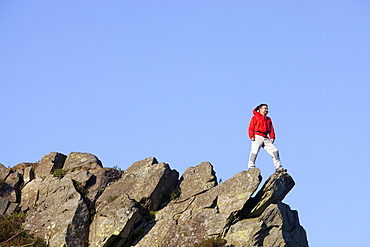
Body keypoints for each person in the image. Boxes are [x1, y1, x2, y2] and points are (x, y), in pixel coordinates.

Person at [248, 103, 286, 172]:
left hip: (265, 137)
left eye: (267, 108)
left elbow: (271, 129)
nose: (266, 110)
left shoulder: (268, 119)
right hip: (257, 135)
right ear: (260, 109)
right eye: (264, 108)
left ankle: (278, 166)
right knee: (254, 151)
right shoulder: (255, 117)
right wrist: (251, 136)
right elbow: (251, 127)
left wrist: (272, 137)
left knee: (274, 150)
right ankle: (251, 166)